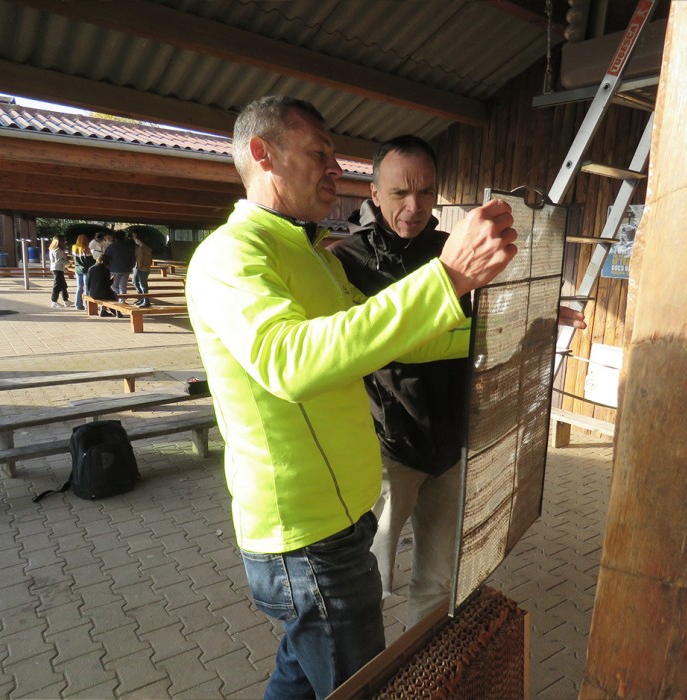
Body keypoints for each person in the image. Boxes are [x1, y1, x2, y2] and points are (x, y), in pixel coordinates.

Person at [185, 96, 517, 700]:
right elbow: (289, 362)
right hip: (307, 541)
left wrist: (514, 327)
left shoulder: (309, 254)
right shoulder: (231, 255)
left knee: (301, 677)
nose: (337, 169)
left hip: (340, 521)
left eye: (335, 155)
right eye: (319, 153)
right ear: (262, 155)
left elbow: (386, 346)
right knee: (359, 686)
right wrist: (445, 279)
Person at [330, 135, 470, 627]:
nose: (415, 207)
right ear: (373, 192)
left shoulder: (454, 255)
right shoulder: (345, 260)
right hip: (388, 448)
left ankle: (422, 664)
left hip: (452, 444)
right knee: (370, 575)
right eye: (400, 193)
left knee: (438, 578)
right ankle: (369, 666)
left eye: (427, 193)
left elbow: (486, 324)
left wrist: (533, 310)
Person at [86, 253, 123, 318]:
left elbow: (88, 282)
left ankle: (103, 311)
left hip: (92, 292)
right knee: (113, 295)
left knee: (108, 294)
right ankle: (116, 311)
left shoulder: (91, 269)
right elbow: (107, 284)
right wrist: (112, 279)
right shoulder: (105, 270)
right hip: (101, 293)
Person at [105, 231, 135, 295]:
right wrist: (131, 266)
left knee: (114, 286)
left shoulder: (111, 247)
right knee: (123, 286)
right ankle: (122, 300)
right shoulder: (129, 246)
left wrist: (107, 267)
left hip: (114, 269)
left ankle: (117, 298)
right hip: (127, 269)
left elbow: (106, 258)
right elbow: (133, 258)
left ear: (114, 237)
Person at [71, 234, 96, 311]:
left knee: (79, 287)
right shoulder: (86, 248)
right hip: (86, 270)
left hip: (77, 269)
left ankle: (78, 304)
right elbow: (90, 261)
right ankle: (87, 305)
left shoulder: (74, 247)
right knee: (87, 287)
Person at [48, 235, 72, 308]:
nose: (65, 242)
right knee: (57, 285)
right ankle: (54, 301)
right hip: (58, 268)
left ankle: (66, 300)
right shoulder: (59, 250)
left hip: (56, 268)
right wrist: (68, 263)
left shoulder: (52, 249)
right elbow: (61, 260)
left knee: (63, 285)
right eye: (63, 241)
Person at [130, 231, 153, 308]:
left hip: (141, 268)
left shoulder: (141, 248)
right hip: (143, 268)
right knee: (137, 282)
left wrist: (138, 267)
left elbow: (140, 259)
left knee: (143, 285)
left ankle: (146, 301)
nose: (134, 238)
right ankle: (143, 299)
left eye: (135, 237)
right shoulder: (144, 247)